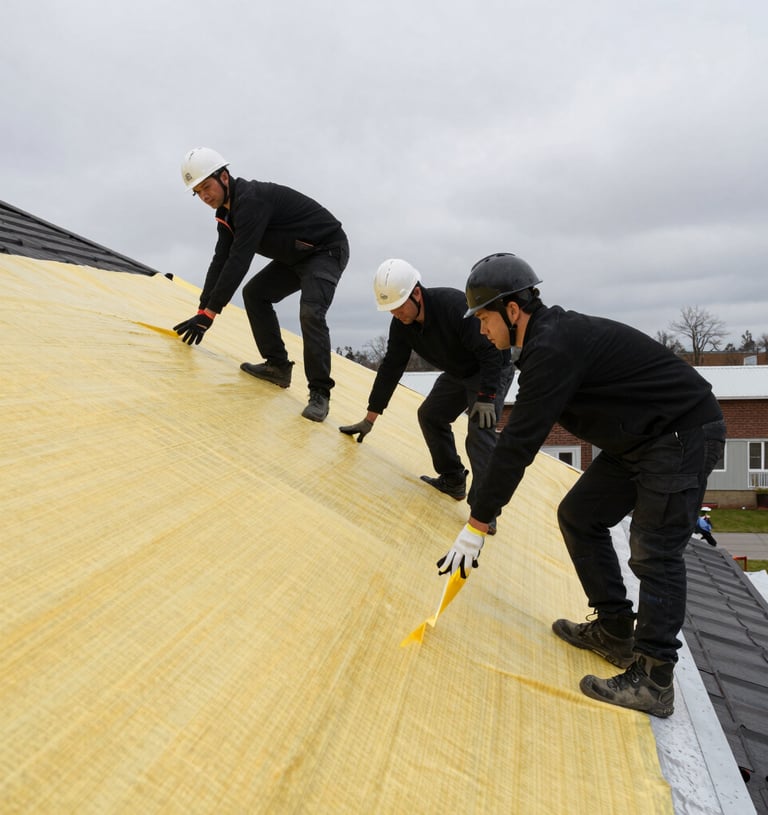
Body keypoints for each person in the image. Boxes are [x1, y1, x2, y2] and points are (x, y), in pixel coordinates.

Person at [436, 252, 725, 718]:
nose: (481, 330)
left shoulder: (553, 348)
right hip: (642, 439)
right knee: (580, 514)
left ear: (513, 310)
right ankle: (614, 630)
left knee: (654, 549)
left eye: (485, 317)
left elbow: (519, 443)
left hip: (679, 435)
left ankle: (653, 679)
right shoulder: (547, 344)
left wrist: (477, 521)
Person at [174, 147, 349, 422]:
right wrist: (201, 310)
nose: (205, 196)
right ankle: (278, 367)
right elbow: (219, 262)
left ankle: (320, 395)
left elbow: (239, 260)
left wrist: (211, 313)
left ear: (224, 176)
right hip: (294, 256)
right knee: (255, 294)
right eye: (198, 192)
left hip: (325, 250)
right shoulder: (226, 216)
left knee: (311, 313)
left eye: (207, 186)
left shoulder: (251, 201)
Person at [339, 259, 514, 530]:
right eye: (390, 311)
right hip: (458, 372)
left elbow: (491, 353)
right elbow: (390, 368)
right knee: (430, 415)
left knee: (480, 432)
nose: (395, 315)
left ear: (416, 293)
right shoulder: (402, 325)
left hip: (490, 369)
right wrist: (370, 417)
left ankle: (485, 510)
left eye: (397, 307)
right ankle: (453, 479)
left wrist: (488, 398)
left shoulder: (454, 307)